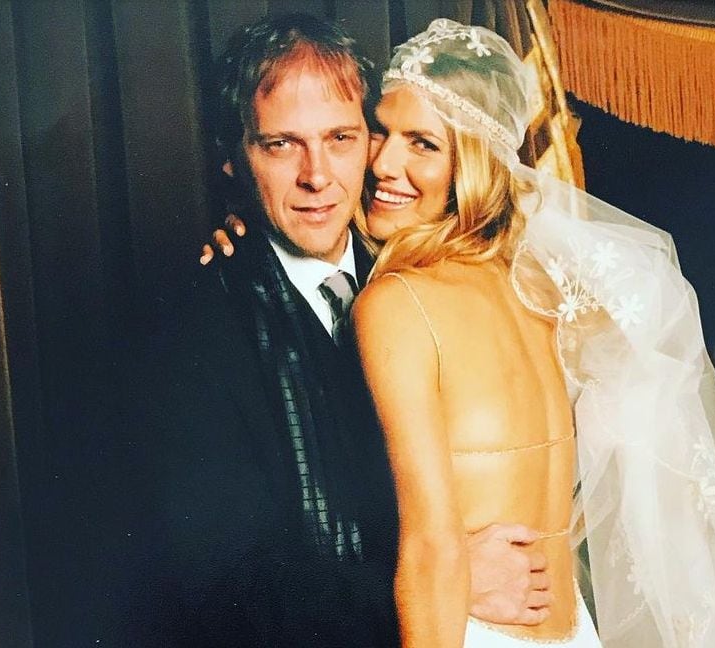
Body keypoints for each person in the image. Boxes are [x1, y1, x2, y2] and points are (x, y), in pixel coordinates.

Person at [346, 18, 715, 648]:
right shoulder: (543, 292)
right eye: (380, 131)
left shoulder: (397, 304)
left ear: (474, 163)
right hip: (571, 630)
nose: (383, 162)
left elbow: (431, 550)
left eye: (422, 144)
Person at [107, 13, 553, 647]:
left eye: (341, 137)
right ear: (233, 158)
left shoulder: (424, 278)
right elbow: (226, 587)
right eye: (280, 144)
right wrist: (446, 578)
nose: (317, 176)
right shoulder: (190, 331)